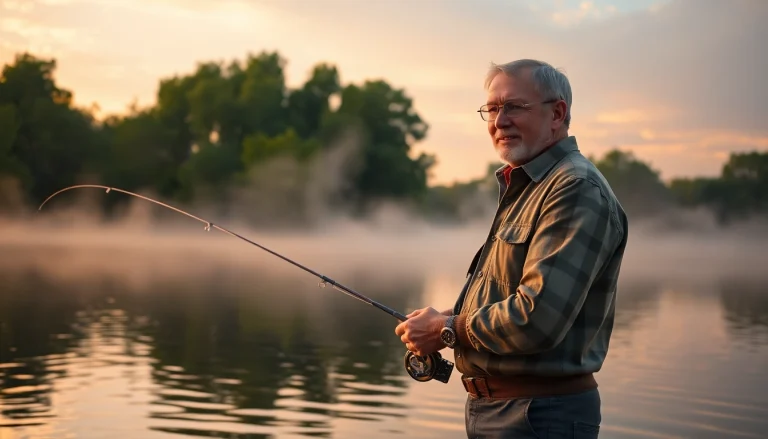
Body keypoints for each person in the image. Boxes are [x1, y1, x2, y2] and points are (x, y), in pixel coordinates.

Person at [395, 59, 629, 438]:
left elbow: (537, 318)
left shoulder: (575, 189)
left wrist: (447, 329)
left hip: (539, 416)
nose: (499, 120)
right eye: (492, 108)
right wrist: (448, 316)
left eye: (514, 107)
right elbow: (511, 294)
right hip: (504, 411)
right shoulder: (530, 186)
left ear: (557, 114)